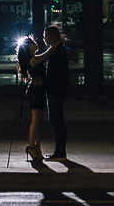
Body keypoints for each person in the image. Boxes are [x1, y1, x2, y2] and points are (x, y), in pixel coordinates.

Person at [16, 28, 65, 162]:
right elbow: (46, 56)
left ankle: (37, 147)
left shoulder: (33, 59)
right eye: (32, 43)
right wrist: (55, 45)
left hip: (38, 91)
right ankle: (31, 147)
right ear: (28, 47)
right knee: (36, 121)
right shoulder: (32, 60)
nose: (36, 43)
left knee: (38, 122)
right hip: (35, 92)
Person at [40, 24, 70, 161]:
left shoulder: (58, 51)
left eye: (45, 36)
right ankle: (60, 151)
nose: (44, 39)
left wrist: (44, 81)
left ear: (52, 36)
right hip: (57, 89)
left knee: (56, 120)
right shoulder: (57, 49)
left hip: (56, 90)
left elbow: (56, 73)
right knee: (57, 120)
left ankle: (60, 152)